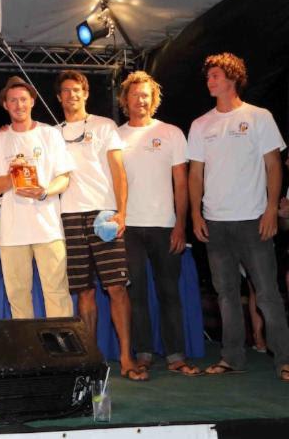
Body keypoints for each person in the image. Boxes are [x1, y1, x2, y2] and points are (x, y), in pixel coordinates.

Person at [187, 52, 289, 381]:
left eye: (216, 75)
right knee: (226, 294)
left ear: (232, 79)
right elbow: (195, 175)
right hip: (215, 223)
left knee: (267, 293)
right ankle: (232, 357)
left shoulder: (259, 117)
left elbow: (274, 165)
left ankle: (284, 358)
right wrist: (195, 213)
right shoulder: (200, 125)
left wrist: (272, 209)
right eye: (208, 76)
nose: (209, 81)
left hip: (253, 219)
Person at [55, 70, 146, 381]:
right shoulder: (52, 133)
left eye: (77, 90)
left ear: (86, 93)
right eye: (66, 91)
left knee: (116, 288)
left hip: (103, 216)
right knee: (84, 293)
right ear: (58, 97)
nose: (71, 96)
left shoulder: (105, 126)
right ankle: (92, 361)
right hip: (68, 217)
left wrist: (121, 212)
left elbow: (119, 172)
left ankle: (125, 358)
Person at [117, 71, 201, 376]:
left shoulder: (171, 133)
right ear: (125, 99)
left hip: (166, 226)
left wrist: (181, 225)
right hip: (128, 229)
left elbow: (182, 184)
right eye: (135, 94)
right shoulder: (116, 136)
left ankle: (176, 356)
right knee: (135, 294)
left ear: (154, 99)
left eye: (146, 95)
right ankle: (142, 354)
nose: (140, 99)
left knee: (169, 292)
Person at [0, 77, 74, 320]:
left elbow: (64, 178)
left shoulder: (50, 134)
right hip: (13, 231)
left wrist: (44, 191)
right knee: (17, 296)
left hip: (48, 228)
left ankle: (62, 354)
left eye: (23, 99)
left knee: (56, 293)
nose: (18, 105)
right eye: (12, 100)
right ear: (5, 105)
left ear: (32, 102)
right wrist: (14, 175)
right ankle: (28, 355)